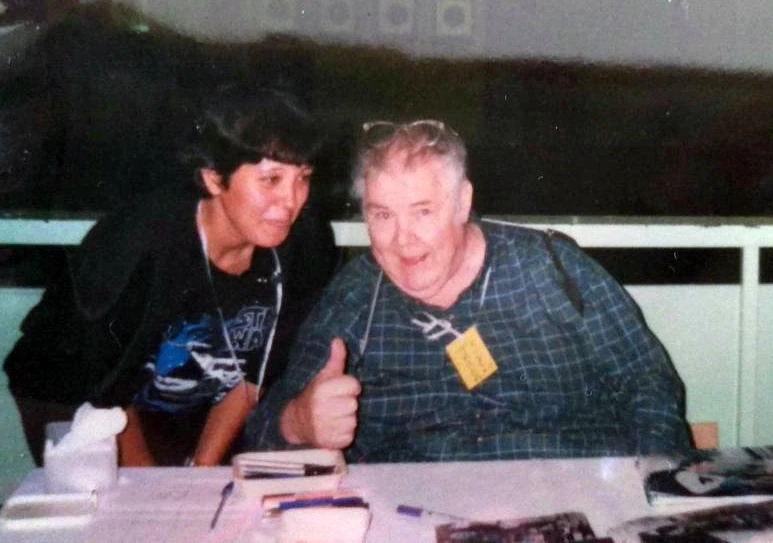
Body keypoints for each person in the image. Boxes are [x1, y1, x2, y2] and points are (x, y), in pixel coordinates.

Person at [246, 119, 690, 461]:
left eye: (422, 212)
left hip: (572, 500)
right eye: (382, 216)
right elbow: (261, 430)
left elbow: (648, 382)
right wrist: (297, 422)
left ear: (463, 203)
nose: (403, 241)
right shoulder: (354, 298)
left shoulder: (552, 268)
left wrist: (650, 486)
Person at [3, 82, 337, 466]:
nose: (292, 201)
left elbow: (257, 375)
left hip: (191, 397)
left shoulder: (306, 242)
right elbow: (106, 391)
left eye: (303, 178)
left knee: (203, 485)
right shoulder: (140, 243)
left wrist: (201, 471)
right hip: (70, 389)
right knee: (125, 498)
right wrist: (152, 489)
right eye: (271, 179)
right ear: (214, 179)